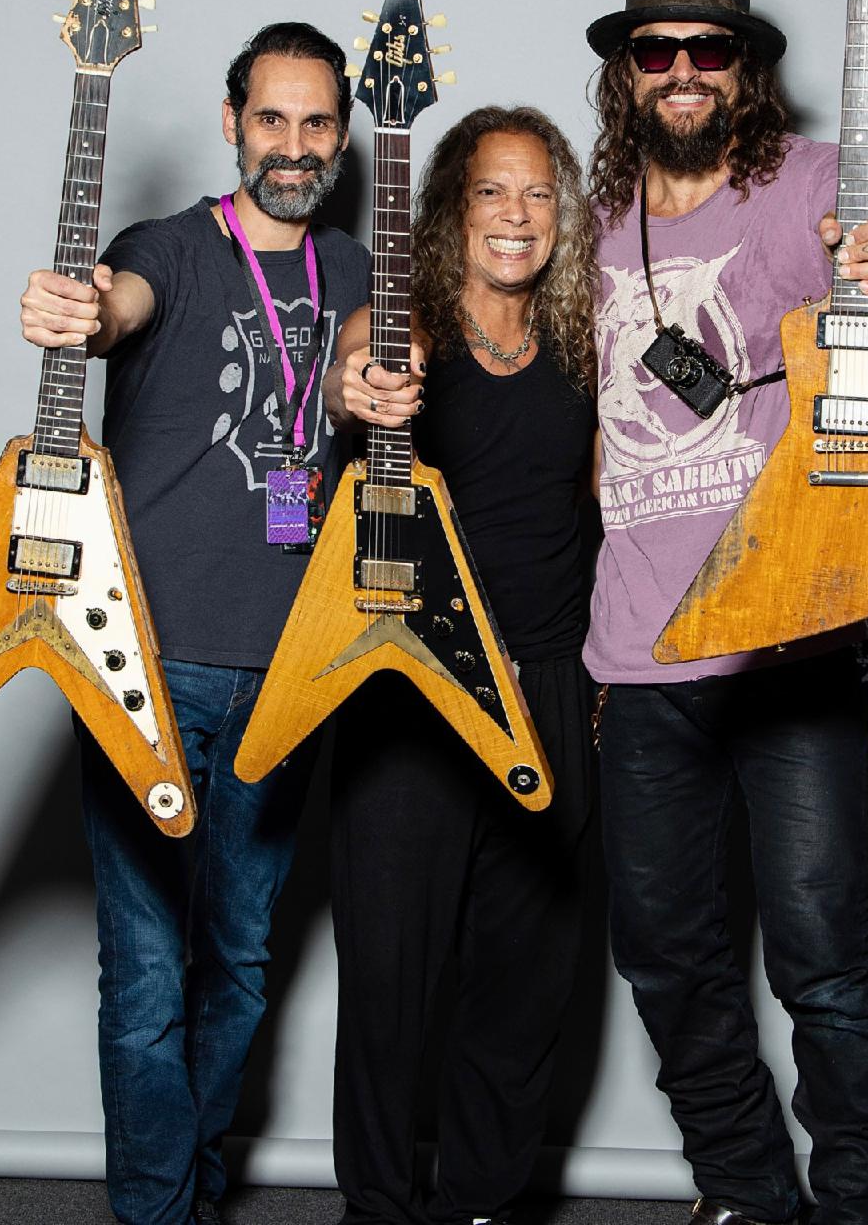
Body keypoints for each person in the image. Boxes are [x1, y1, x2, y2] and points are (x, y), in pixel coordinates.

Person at [585, 0, 868, 1225]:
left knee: (826, 961)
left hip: (792, 645)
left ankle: (866, 1209)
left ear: (745, 67)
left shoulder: (812, 185)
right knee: (666, 960)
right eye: (655, 48)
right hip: (642, 659)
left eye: (708, 47)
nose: (681, 69)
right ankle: (746, 1195)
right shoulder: (592, 227)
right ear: (626, 71)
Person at [19, 22, 371, 1225]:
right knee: (143, 977)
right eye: (270, 118)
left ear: (343, 135)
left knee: (240, 964)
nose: (293, 145)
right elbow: (114, 306)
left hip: (289, 677)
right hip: (144, 664)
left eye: (316, 122)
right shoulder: (165, 249)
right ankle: (159, 1213)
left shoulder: (355, 269)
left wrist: (371, 378)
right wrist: (77, 308)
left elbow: (358, 364)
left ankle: (192, 1184)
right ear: (232, 124)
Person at [322, 105, 597, 1225]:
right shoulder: (409, 326)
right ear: (452, 207)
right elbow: (362, 366)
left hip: (551, 686)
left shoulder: (581, 342)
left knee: (525, 981)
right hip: (413, 691)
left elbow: (598, 509)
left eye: (539, 193)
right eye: (493, 190)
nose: (517, 215)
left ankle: (482, 1202)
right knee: (391, 982)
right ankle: (380, 1210)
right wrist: (366, 380)